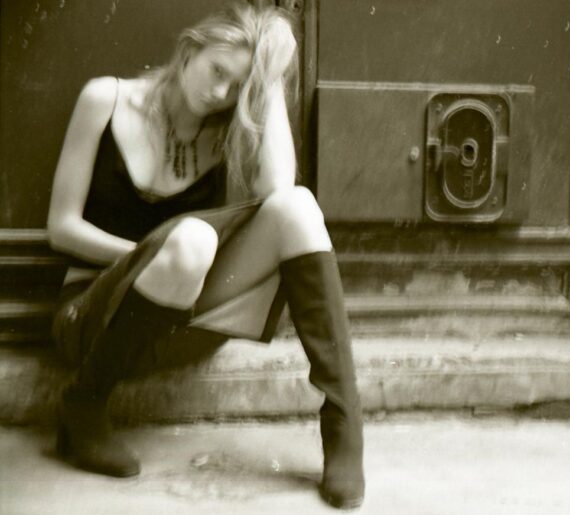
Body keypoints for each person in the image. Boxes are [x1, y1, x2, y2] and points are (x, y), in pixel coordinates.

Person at [46, 3, 364, 510]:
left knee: (299, 207)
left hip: (182, 327)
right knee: (192, 242)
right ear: (190, 49)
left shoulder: (225, 131)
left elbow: (278, 191)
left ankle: (343, 421)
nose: (220, 93)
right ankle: (83, 405)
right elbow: (61, 228)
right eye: (218, 71)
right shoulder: (105, 99)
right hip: (91, 321)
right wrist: (148, 259)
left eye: (237, 87)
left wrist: (269, 81)